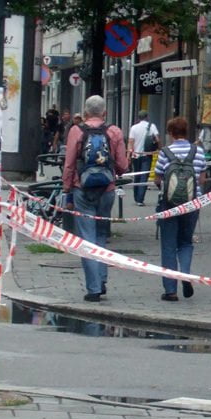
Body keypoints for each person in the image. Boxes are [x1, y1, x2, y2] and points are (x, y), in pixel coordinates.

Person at [61, 95, 128, 301]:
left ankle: (93, 288)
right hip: (107, 190)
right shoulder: (114, 131)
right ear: (104, 113)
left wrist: (67, 190)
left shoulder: (76, 131)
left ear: (86, 112)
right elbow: (123, 166)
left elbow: (70, 163)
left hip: (82, 189)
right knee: (101, 235)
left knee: (86, 238)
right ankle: (102, 279)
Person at [154, 116, 207, 302]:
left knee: (168, 245)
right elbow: (201, 180)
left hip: (169, 205)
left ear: (171, 133)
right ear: (186, 132)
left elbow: (158, 179)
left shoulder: (165, 152)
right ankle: (185, 274)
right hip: (192, 205)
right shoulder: (198, 151)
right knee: (185, 242)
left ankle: (170, 290)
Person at [127, 110, 159, 206]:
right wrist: (158, 148)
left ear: (138, 118)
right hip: (147, 154)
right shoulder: (152, 126)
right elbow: (157, 139)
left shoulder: (134, 128)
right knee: (144, 177)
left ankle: (136, 197)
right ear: (147, 117)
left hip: (136, 155)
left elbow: (131, 142)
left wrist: (128, 155)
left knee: (137, 175)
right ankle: (140, 199)